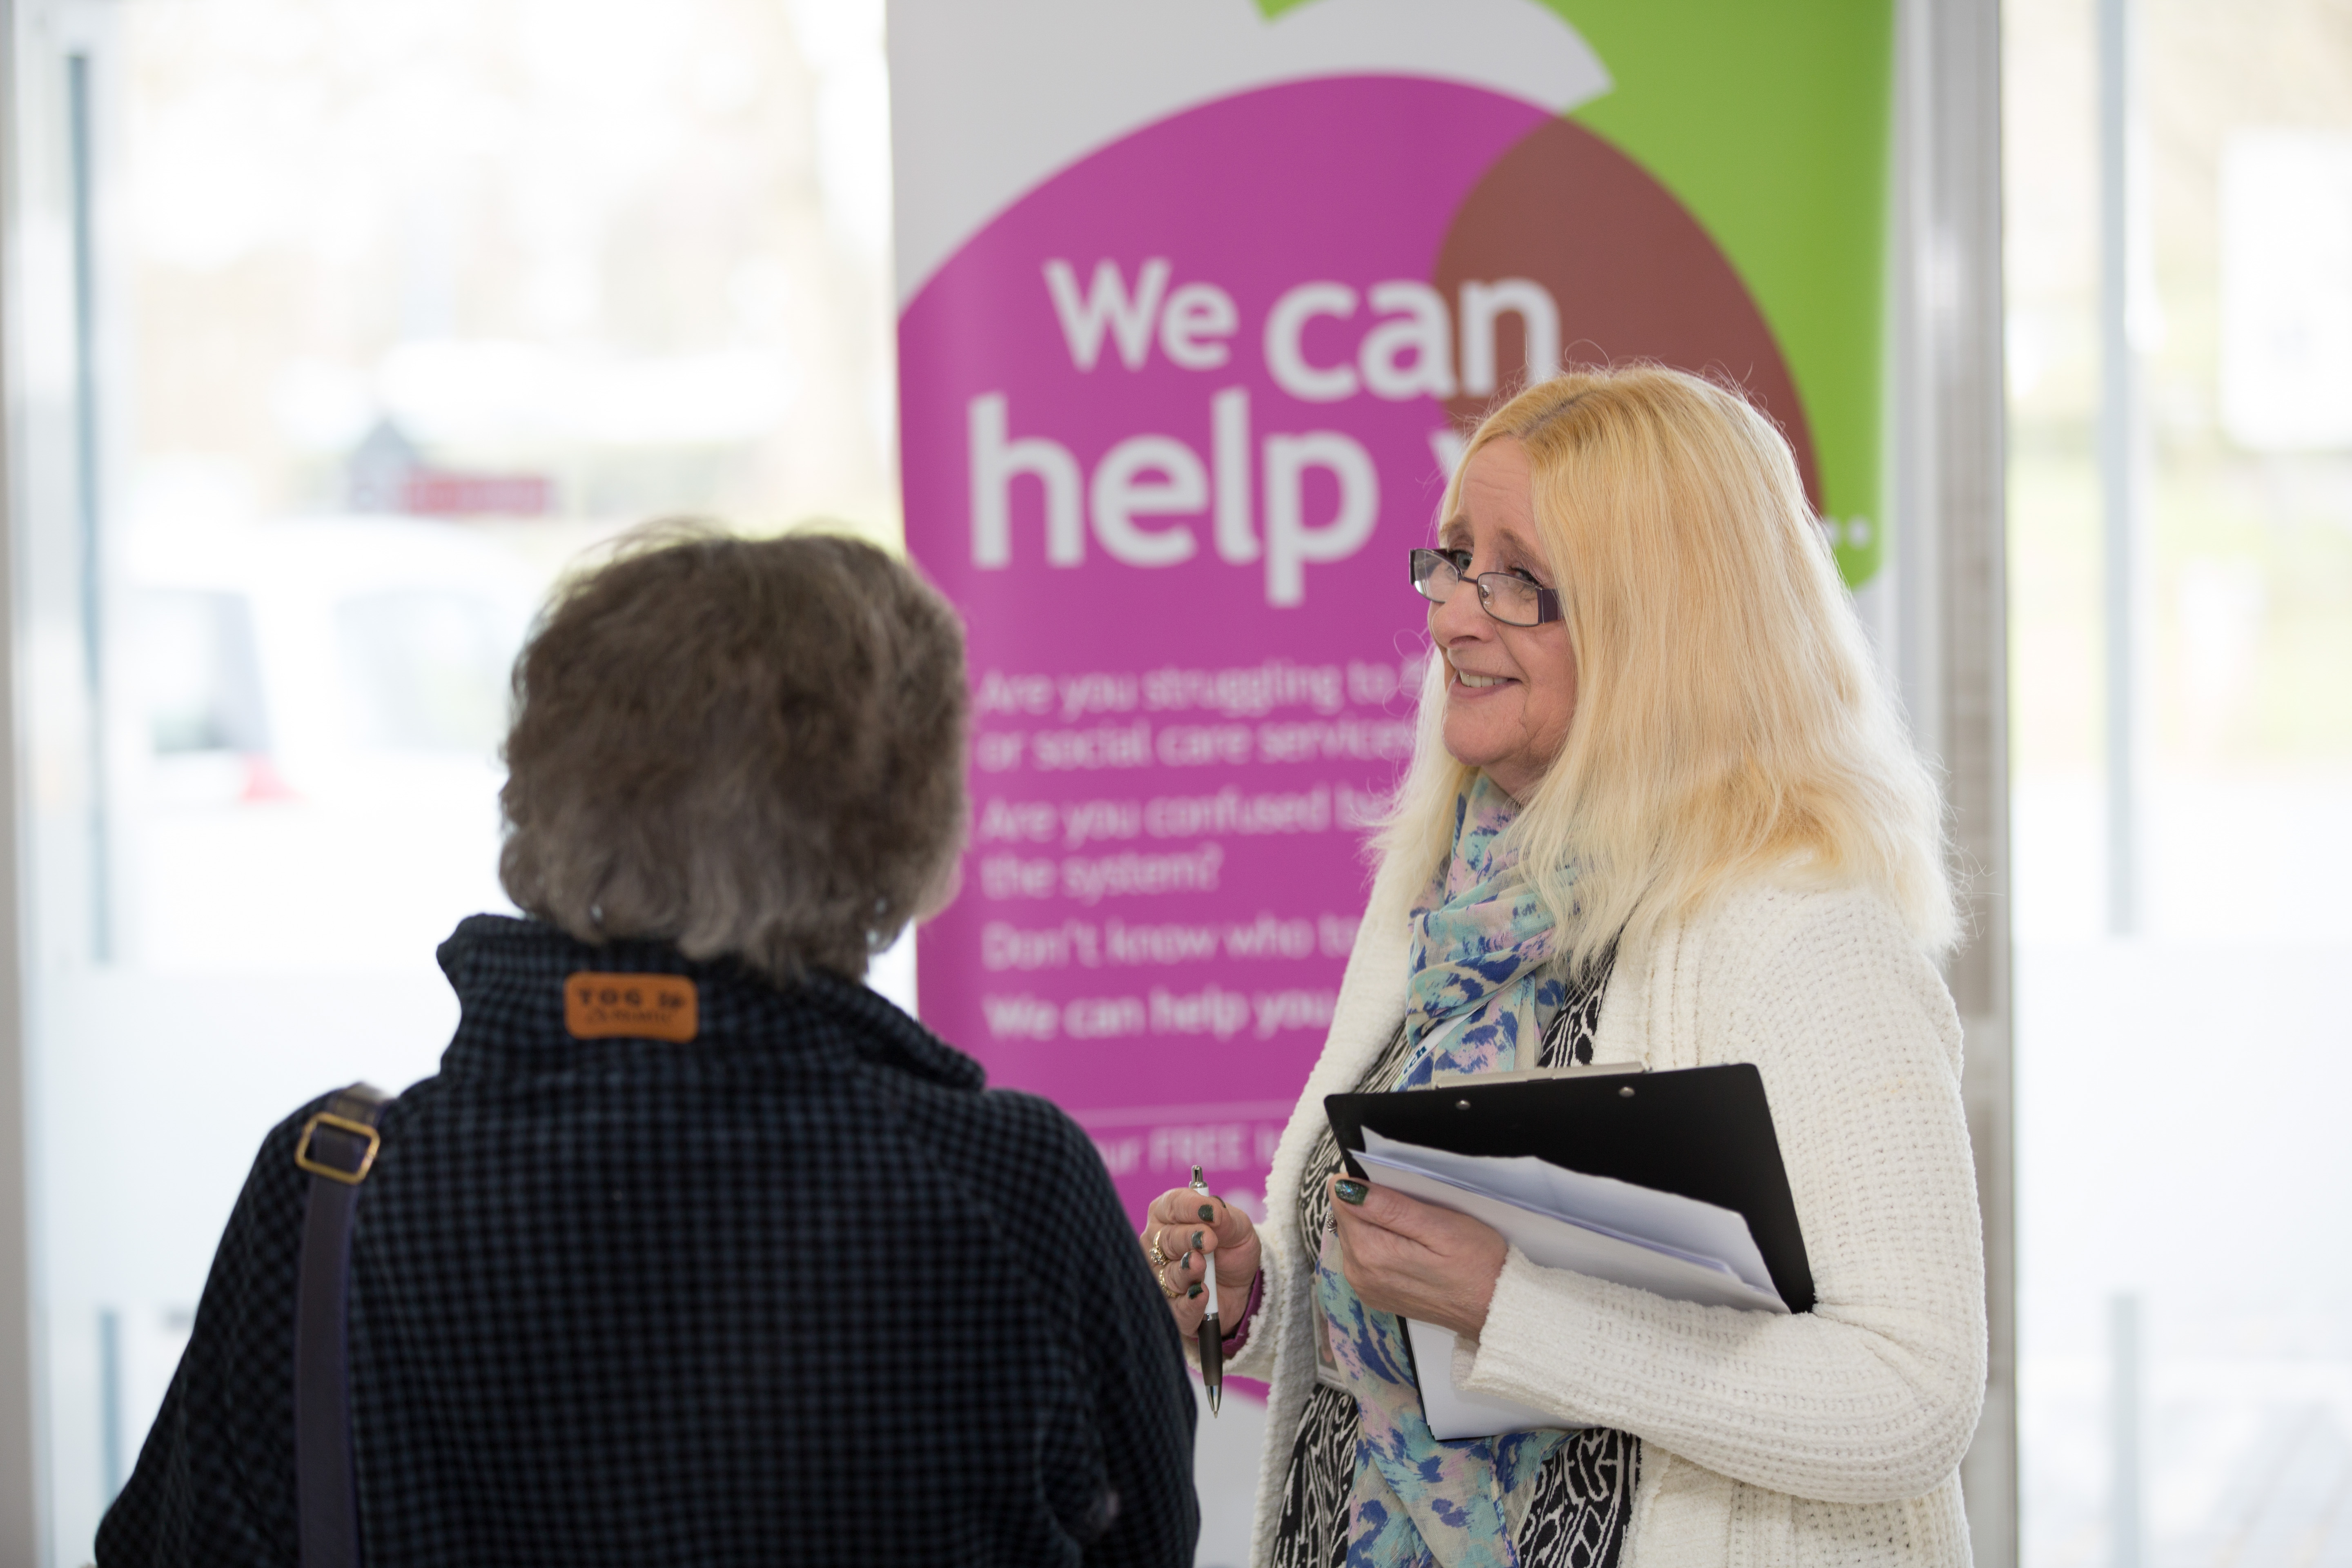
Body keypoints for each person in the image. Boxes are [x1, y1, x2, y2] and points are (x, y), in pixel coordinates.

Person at [100, 530, 1199, 1567]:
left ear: (542, 787)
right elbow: (1146, 1545)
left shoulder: (335, 1187)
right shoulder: (1012, 1185)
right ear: (898, 825)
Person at [1145, 365, 1986, 1568]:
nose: (1451, 615)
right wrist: (1264, 1293)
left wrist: (1514, 1307)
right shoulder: (1435, 892)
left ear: (1663, 623)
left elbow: (1913, 1397)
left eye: (1518, 580)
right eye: (1450, 558)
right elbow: (1407, 1336)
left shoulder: (1805, 937)